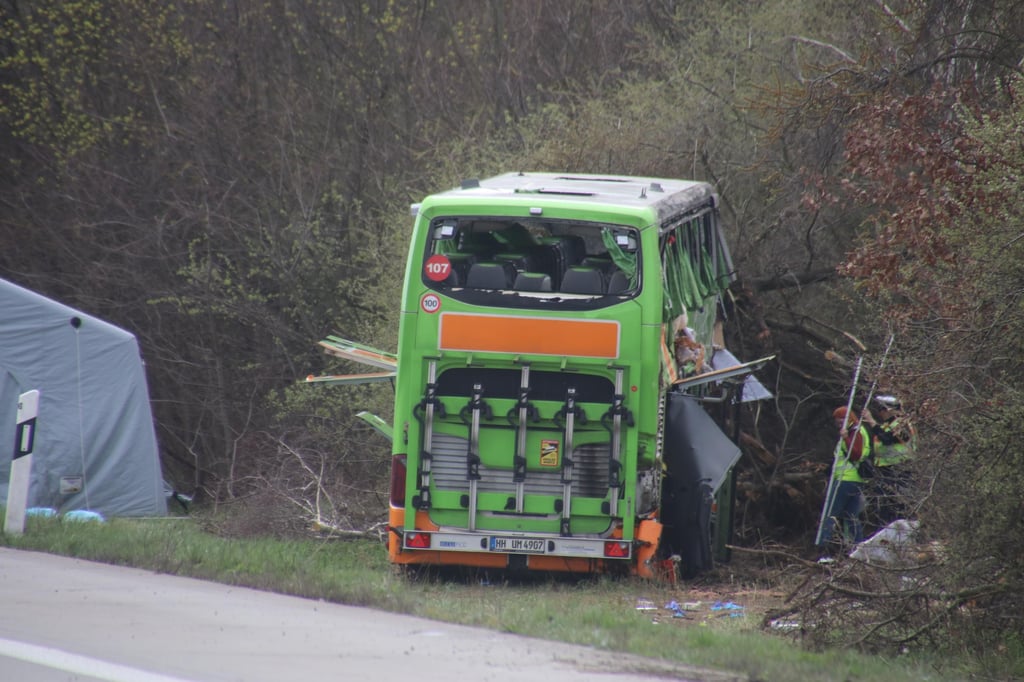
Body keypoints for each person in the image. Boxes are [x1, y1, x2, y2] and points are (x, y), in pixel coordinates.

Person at [819, 406, 871, 551]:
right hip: (854, 481)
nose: (838, 423)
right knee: (851, 516)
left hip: (845, 480)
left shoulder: (854, 433)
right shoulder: (856, 431)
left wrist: (845, 438)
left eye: (840, 419)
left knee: (830, 514)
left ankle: (825, 547)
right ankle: (858, 549)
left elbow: (855, 454)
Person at [867, 395, 916, 524]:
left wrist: (871, 422)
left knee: (899, 504)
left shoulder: (902, 424)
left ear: (889, 410)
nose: (880, 413)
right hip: (887, 470)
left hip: (900, 469)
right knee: (885, 505)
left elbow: (888, 439)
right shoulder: (886, 426)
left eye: (882, 410)